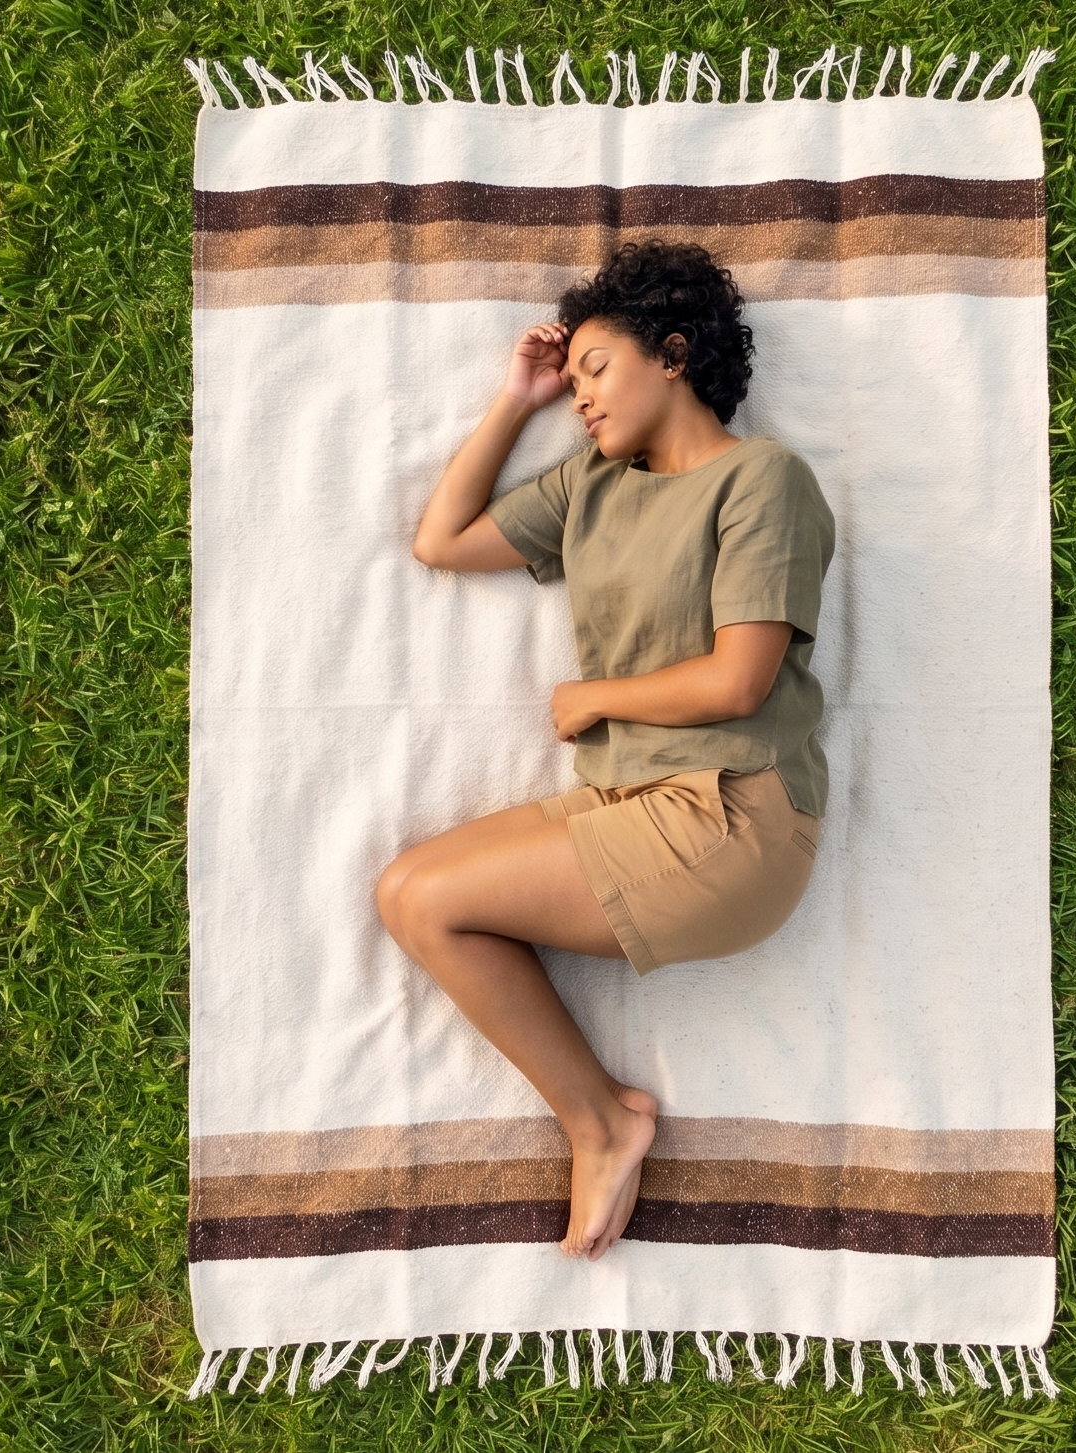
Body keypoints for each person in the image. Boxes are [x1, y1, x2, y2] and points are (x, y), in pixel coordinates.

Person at [376, 241, 835, 1263]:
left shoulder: (763, 480)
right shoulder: (592, 482)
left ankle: (596, 1124)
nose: (580, 398)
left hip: (733, 814)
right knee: (409, 892)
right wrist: (515, 401)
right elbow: (440, 541)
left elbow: (738, 681)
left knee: (427, 901)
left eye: (594, 369)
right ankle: (604, 1115)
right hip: (630, 803)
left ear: (671, 356)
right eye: (570, 378)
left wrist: (596, 698)